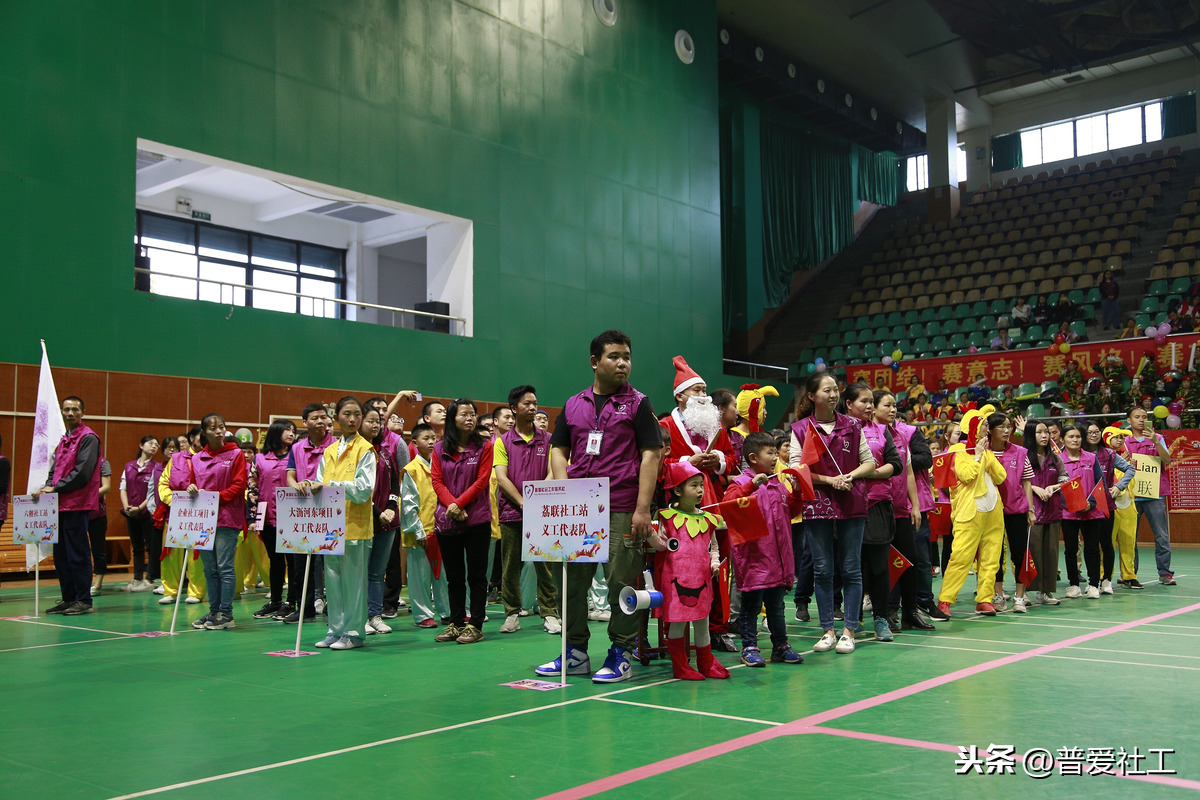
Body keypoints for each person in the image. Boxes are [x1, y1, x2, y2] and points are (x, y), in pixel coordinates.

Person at [535, 330, 663, 683]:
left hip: (622, 505)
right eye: (614, 356)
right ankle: (574, 652)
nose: (622, 363)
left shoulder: (638, 403)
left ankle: (621, 653)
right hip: (581, 510)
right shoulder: (574, 404)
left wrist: (642, 509)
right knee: (572, 583)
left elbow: (651, 454)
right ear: (594, 362)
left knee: (621, 583)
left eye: (627, 356)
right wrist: (564, 489)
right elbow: (559, 449)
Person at [788, 374, 880, 654]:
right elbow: (796, 468)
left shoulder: (852, 425)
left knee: (851, 568)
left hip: (852, 501)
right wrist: (830, 481)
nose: (833, 395)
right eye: (826, 391)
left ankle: (849, 630)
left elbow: (869, 461)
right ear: (812, 396)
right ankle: (827, 629)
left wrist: (849, 476)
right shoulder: (802, 429)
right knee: (823, 569)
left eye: (835, 390)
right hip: (818, 502)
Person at [660, 356, 739, 652]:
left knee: (718, 565)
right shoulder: (665, 425)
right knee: (678, 567)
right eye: (697, 391)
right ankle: (675, 632)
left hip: (714, 504)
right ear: (680, 396)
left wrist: (717, 460)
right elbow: (657, 463)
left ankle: (718, 628)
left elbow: (731, 459)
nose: (704, 396)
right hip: (678, 509)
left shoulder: (715, 427)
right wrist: (686, 463)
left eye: (705, 390)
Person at [722, 431, 808, 668]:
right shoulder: (740, 484)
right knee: (751, 604)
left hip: (778, 560)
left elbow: (791, 512)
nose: (774, 458)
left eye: (774, 453)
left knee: (777, 606)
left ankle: (780, 646)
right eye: (769, 453)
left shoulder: (777, 484)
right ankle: (749, 646)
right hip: (754, 559)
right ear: (752, 457)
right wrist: (751, 485)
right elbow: (729, 507)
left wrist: (797, 492)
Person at [649, 461, 731, 680]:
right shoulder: (667, 517)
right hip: (675, 580)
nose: (700, 491)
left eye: (701, 486)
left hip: (701, 580)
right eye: (694, 486)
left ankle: (705, 664)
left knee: (702, 623)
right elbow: (661, 545)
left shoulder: (708, 519)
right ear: (677, 490)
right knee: (677, 625)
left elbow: (712, 547)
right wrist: (648, 533)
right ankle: (680, 667)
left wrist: (714, 563)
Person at [307, 396, 376, 649]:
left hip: (355, 525)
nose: (353, 419)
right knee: (333, 581)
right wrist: (309, 486)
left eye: (357, 414)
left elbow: (363, 489)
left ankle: (354, 633)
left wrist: (329, 486)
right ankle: (335, 629)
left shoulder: (365, 450)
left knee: (353, 582)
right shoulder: (328, 451)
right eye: (347, 414)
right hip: (330, 526)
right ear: (336, 417)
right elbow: (318, 483)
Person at [495, 385, 560, 634]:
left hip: (542, 512)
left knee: (545, 562)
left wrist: (539, 499)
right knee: (510, 563)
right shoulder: (502, 442)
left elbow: (554, 471)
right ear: (514, 408)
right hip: (512, 510)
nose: (532, 407)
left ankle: (550, 613)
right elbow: (501, 477)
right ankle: (512, 613)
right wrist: (523, 502)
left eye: (535, 403)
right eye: (526, 404)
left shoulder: (549, 439)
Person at [430, 398, 494, 645]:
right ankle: (456, 623)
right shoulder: (439, 448)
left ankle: (475, 624)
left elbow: (482, 480)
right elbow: (437, 481)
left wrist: (459, 504)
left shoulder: (484, 446)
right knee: (454, 576)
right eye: (464, 414)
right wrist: (452, 506)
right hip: (448, 521)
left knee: (476, 575)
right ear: (452, 419)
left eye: (473, 414)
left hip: (476, 520)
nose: (470, 418)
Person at [841, 385, 902, 642]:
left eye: (870, 402)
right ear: (848, 404)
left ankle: (880, 618)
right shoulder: (840, 431)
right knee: (852, 567)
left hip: (877, 506)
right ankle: (852, 621)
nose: (869, 406)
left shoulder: (881, 431)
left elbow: (896, 464)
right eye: (863, 401)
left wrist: (871, 472)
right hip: (847, 506)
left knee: (878, 567)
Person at [934, 407, 1007, 618]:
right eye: (984, 424)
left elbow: (1001, 476)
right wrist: (977, 456)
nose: (987, 427)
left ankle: (984, 599)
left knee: (991, 559)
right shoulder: (957, 450)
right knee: (960, 557)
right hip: (969, 512)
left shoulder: (987, 450)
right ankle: (945, 599)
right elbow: (966, 475)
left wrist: (986, 455)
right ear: (973, 426)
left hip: (993, 510)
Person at [38, 396, 101, 616]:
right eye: (66, 410)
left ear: (82, 413)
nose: (70, 413)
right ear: (62, 413)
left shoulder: (88, 438)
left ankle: (83, 599)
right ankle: (68, 598)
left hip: (76, 504)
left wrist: (54, 488)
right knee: (61, 554)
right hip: (58, 505)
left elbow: (82, 473)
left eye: (75, 409)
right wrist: (46, 487)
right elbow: (54, 471)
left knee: (77, 553)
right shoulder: (65, 439)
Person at [187, 414, 247, 630]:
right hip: (204, 520)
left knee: (225, 567)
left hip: (226, 518)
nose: (219, 431)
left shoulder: (236, 454)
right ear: (204, 432)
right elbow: (193, 483)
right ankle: (214, 611)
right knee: (209, 569)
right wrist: (192, 489)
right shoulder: (196, 458)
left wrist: (214, 497)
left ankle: (226, 614)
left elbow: (239, 486)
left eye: (222, 427)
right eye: (213, 428)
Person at [285, 402, 334, 623]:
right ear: (305, 422)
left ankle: (334, 607)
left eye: (324, 417)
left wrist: (320, 484)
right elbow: (290, 476)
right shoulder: (296, 448)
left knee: (331, 561)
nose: (321, 421)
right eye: (315, 418)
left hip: (330, 510)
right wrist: (296, 485)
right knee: (301, 563)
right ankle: (304, 608)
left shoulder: (336, 446)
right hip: (304, 510)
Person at [400, 422, 450, 628]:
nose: (431, 442)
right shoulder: (411, 470)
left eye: (433, 438)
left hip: (441, 529)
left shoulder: (440, 466)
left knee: (443, 576)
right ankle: (422, 615)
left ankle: (446, 611)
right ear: (414, 443)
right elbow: (408, 505)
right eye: (426, 439)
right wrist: (418, 530)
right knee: (420, 577)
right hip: (419, 532)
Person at [986, 412, 1035, 613]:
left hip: (1016, 510)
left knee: (1020, 553)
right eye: (1002, 427)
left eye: (1009, 427)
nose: (1007, 430)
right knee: (994, 555)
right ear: (990, 431)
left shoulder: (1020, 452)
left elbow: (1027, 483)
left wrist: (1030, 510)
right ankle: (998, 595)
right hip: (991, 512)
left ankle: (1019, 597)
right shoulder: (983, 452)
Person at [250, 419, 296, 620]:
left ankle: (292, 602)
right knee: (275, 561)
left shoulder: (296, 456)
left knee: (293, 562)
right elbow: (252, 488)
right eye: (287, 430)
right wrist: (252, 517)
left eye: (293, 430)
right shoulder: (259, 459)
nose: (291, 433)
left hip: (292, 518)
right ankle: (276, 600)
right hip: (268, 518)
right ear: (276, 432)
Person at [362, 406, 401, 635]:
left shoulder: (385, 453)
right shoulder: (355, 451)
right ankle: (360, 617)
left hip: (387, 521)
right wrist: (378, 511)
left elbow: (395, 483)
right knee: (361, 572)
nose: (375, 425)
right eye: (371, 421)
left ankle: (375, 615)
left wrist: (391, 507)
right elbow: (359, 491)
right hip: (363, 520)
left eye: (378, 422)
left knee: (377, 572)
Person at [156, 430, 206, 606]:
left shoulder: (211, 458)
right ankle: (170, 590)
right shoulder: (176, 459)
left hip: (201, 514)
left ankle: (196, 591)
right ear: (192, 438)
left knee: (197, 554)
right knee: (171, 553)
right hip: (176, 512)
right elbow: (163, 483)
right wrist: (173, 500)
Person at [1125, 406, 1174, 584]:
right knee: (1130, 538)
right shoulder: (1124, 440)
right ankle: (1130, 574)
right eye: (1137, 417)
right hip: (1131, 496)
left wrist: (1155, 441)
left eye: (1144, 417)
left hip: (1155, 496)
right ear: (1128, 420)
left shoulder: (1158, 437)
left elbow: (1167, 460)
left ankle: (1165, 573)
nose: (1141, 419)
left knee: (1161, 536)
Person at [1025, 419, 1066, 604]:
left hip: (1052, 510)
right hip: (1031, 511)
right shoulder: (1024, 457)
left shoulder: (1055, 458)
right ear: (1031, 435)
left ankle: (1046, 592)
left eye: (1046, 432)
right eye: (1040, 432)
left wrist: (1053, 487)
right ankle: (1025, 591)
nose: (1044, 436)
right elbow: (1018, 481)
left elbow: (1065, 479)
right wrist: (1035, 488)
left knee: (1051, 551)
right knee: (1032, 552)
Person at [119, 436, 160, 593]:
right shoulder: (129, 466)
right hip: (131, 513)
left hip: (147, 513)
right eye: (151, 443)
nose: (154, 447)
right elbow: (122, 488)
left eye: (156, 445)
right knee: (136, 547)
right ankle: (136, 579)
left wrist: (140, 507)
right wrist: (127, 507)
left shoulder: (156, 468)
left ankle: (149, 579)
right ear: (141, 445)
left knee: (150, 546)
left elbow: (152, 493)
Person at [1103, 427, 1143, 589]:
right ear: (1107, 439)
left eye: (1122, 438)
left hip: (1128, 507)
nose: (1120, 440)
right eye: (1116, 437)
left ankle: (1129, 575)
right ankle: (1104, 576)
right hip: (1111, 506)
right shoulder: (1103, 457)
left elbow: (1131, 481)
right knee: (1106, 544)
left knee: (1129, 543)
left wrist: (1128, 466)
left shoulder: (1128, 461)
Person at [87, 458, 111, 594]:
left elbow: (106, 487)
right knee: (80, 549)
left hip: (97, 514)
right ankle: (83, 581)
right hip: (79, 513)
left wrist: (86, 497)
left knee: (98, 549)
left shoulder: (102, 463)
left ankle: (98, 584)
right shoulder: (77, 461)